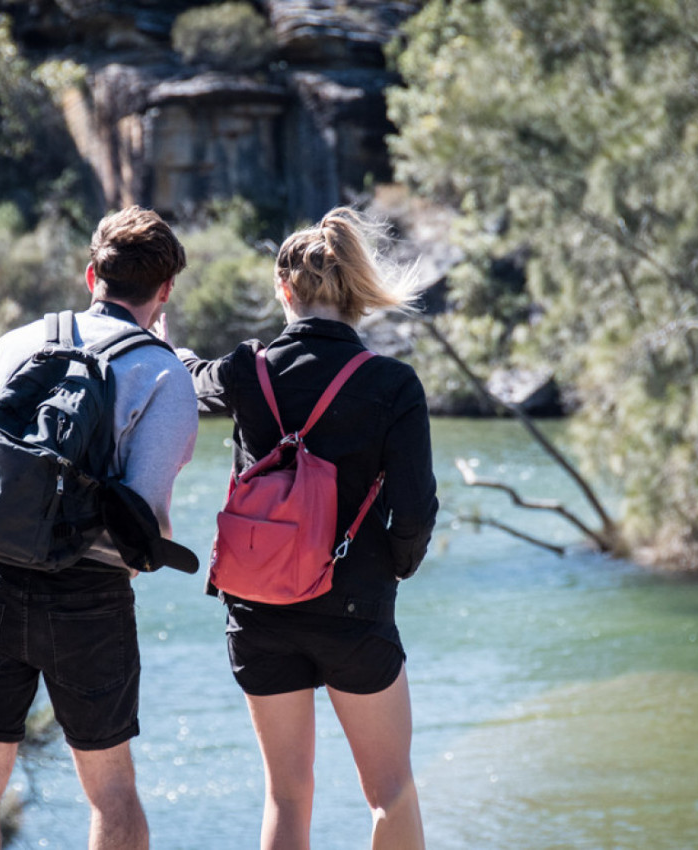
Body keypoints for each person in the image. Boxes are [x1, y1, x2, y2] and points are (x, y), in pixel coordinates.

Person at [0, 206, 199, 850]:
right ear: (164, 291)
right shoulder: (164, 375)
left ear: (91, 275)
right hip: (90, 598)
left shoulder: (12, 346)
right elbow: (146, 519)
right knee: (111, 790)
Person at [177, 207, 438, 849]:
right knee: (390, 793)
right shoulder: (393, 385)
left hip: (257, 606)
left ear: (283, 291)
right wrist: (391, 567)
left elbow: (186, 382)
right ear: (356, 294)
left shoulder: (246, 369)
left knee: (288, 796)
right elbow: (413, 513)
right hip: (354, 608)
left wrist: (168, 346)